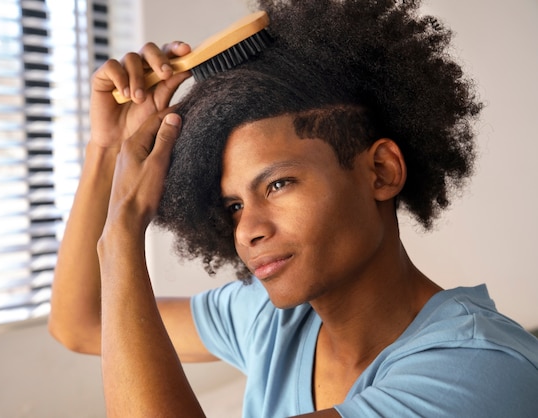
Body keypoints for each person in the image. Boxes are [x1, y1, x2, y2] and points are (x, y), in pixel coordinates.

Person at [48, 0, 538, 416]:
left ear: (382, 171)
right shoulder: (275, 321)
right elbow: (82, 322)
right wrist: (107, 150)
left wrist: (123, 232)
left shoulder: (480, 370)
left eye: (278, 184)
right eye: (234, 205)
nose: (247, 232)